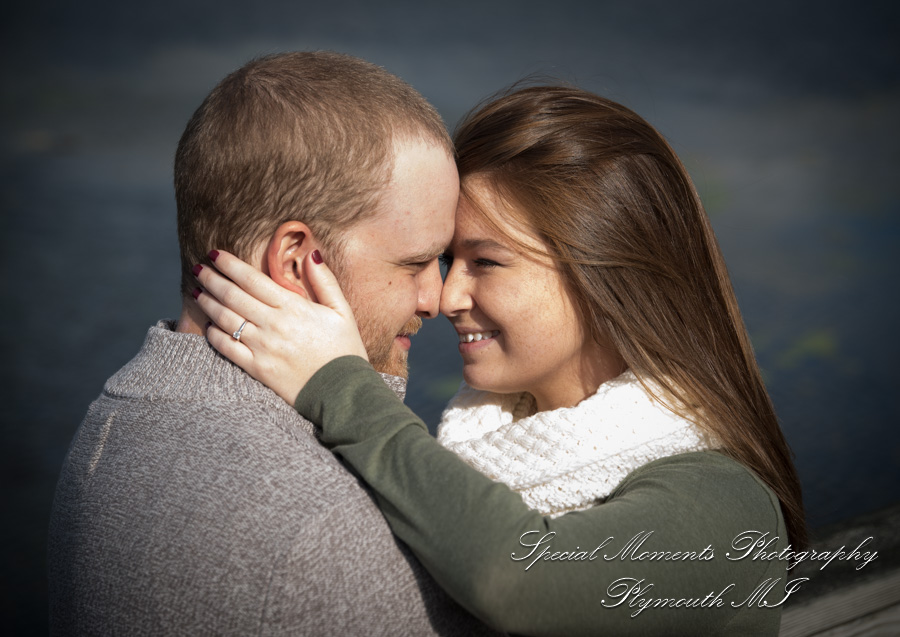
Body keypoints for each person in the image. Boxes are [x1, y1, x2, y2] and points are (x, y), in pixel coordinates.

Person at [194, 85, 808, 635]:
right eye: (441, 260)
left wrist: (340, 386)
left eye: (485, 263)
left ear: (604, 279)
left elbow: (521, 582)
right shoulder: (474, 443)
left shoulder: (728, 506)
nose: (447, 297)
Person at [47, 51, 498, 635]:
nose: (435, 300)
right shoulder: (334, 531)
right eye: (415, 263)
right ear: (295, 259)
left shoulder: (109, 424)